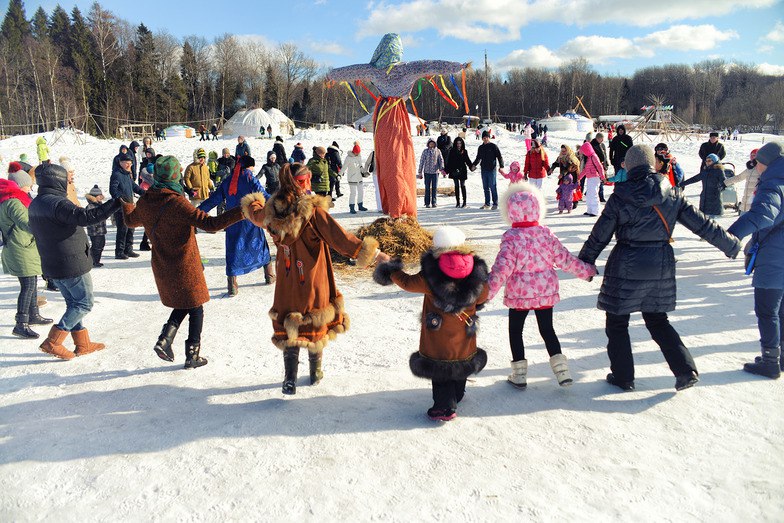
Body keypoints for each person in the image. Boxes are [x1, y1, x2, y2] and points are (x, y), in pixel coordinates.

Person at [578, 145, 741, 392]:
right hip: (660, 263)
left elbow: (600, 233)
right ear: (652, 164)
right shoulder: (672, 194)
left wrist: (585, 261)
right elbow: (702, 224)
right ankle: (686, 371)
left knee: (617, 321)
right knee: (657, 320)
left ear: (629, 166)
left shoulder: (621, 195)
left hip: (626, 263)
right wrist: (730, 244)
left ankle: (623, 376)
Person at [241, 162, 385, 394]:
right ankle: (315, 371)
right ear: (300, 182)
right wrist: (374, 254)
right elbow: (342, 239)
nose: (309, 183)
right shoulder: (313, 212)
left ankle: (290, 378)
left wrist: (252, 202)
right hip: (313, 277)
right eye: (305, 179)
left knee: (290, 318)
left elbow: (255, 213)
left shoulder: (272, 210)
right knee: (314, 318)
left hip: (287, 278)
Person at [122, 156, 244, 368]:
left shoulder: (146, 200)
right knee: (195, 306)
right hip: (184, 265)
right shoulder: (176, 202)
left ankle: (165, 339)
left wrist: (125, 203)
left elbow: (130, 221)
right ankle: (191, 354)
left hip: (162, 264)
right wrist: (243, 211)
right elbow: (211, 223)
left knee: (185, 303)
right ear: (174, 175)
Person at [488, 183, 596, 388]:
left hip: (519, 294)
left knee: (515, 331)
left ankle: (519, 375)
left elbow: (501, 269)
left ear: (510, 212)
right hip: (545, 291)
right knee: (547, 329)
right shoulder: (546, 234)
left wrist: (484, 294)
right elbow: (565, 259)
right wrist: (587, 272)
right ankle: (562, 372)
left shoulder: (511, 238)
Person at [373, 226, 487, 421]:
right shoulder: (476, 270)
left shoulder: (432, 272)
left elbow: (407, 283)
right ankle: (457, 394)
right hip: (464, 333)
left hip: (439, 335)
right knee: (461, 361)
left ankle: (445, 408)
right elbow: (484, 294)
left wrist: (390, 268)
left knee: (441, 368)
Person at [29, 163, 121, 360]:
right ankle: (53, 342)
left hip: (53, 262)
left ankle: (82, 343)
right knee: (84, 303)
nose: (69, 182)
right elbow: (87, 217)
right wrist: (115, 203)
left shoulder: (37, 202)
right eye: (66, 179)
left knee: (73, 303)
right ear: (57, 180)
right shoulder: (57, 204)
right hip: (70, 262)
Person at [727, 142, 784, 379]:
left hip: (775, 258)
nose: (755, 166)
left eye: (757, 162)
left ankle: (770, 360)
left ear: (766, 162)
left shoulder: (773, 185)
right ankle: (779, 358)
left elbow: (762, 214)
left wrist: (730, 235)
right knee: (780, 311)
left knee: (767, 310)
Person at [200, 155, 275, 294]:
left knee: (233, 251)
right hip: (251, 220)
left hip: (232, 221)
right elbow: (263, 195)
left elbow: (214, 200)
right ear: (248, 167)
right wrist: (280, 204)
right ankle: (269, 276)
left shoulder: (228, 180)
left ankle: (232, 286)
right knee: (261, 246)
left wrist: (196, 212)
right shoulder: (249, 178)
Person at [0, 171, 51, 339]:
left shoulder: (13, 199)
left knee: (32, 281)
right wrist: (46, 228)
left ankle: (33, 314)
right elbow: (26, 223)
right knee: (28, 285)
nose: (31, 186)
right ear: (21, 185)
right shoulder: (14, 202)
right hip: (20, 248)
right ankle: (21, 323)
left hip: (24, 247)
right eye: (29, 184)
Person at [109, 152, 144, 259]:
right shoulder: (116, 174)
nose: (129, 165)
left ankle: (128, 249)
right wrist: (120, 198)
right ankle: (119, 252)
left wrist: (145, 193)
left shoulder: (127, 174)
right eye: (126, 163)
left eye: (130, 163)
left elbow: (134, 186)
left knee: (131, 227)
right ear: (120, 163)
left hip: (130, 205)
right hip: (120, 207)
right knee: (122, 229)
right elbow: (113, 190)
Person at [680, 153, 728, 218]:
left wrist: (721, 187)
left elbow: (724, 182)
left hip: (714, 200)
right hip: (704, 198)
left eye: (709, 161)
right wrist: (681, 184)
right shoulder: (705, 171)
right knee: (703, 220)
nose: (707, 163)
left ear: (714, 161)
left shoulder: (719, 171)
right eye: (706, 161)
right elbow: (695, 179)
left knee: (712, 222)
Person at [472, 130, 504, 210]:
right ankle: (487, 203)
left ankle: (495, 203)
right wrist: (473, 165)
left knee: (492, 186)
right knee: (485, 187)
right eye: (484, 138)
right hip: (483, 169)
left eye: (486, 137)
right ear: (482, 138)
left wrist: (501, 166)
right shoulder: (481, 147)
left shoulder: (493, 146)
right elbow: (478, 158)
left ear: (489, 138)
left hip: (491, 169)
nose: (485, 139)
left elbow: (499, 156)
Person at [724, 149, 761, 214]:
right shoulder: (749, 169)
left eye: (754, 155)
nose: (752, 157)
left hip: (754, 201)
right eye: (751, 155)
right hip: (745, 202)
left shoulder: (761, 169)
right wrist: (725, 182)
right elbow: (739, 177)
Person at [578, 141, 605, 217]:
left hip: (595, 178)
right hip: (590, 178)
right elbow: (586, 170)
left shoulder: (594, 157)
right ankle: (590, 210)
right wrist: (579, 177)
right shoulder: (589, 158)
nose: (583, 153)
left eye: (584, 151)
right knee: (589, 195)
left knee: (593, 194)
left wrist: (602, 177)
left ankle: (595, 211)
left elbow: (599, 167)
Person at [84, 185, 108, 267]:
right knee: (96, 246)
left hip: (101, 230)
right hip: (95, 231)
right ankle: (92, 261)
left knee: (101, 245)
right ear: (94, 197)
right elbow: (90, 219)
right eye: (99, 196)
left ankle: (96, 260)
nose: (101, 197)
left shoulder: (100, 205)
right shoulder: (90, 206)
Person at [445, 136, 473, 208]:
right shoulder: (452, 151)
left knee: (463, 185)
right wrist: (446, 170)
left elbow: (467, 160)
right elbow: (449, 161)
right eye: (457, 143)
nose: (458, 145)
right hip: (454, 170)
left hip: (462, 170)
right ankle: (457, 202)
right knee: (456, 186)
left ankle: (464, 202)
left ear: (462, 144)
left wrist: (471, 166)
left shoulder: (464, 151)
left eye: (460, 143)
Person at [418, 138, 444, 208]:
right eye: (430, 143)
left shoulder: (438, 151)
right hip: (427, 172)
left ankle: (434, 202)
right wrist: (420, 171)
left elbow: (441, 160)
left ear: (435, 144)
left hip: (435, 172)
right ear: (428, 144)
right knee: (427, 187)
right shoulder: (425, 151)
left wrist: (442, 168)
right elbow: (422, 161)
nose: (431, 145)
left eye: (433, 143)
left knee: (434, 187)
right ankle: (427, 202)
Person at [343, 141, 367, 214]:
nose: (357, 154)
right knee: (353, 193)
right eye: (356, 153)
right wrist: (339, 174)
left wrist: (364, 172)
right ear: (353, 152)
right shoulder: (348, 158)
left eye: (358, 153)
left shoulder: (359, 156)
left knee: (361, 192)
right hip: (352, 178)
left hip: (359, 178)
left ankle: (360, 205)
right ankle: (352, 207)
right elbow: (344, 167)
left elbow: (360, 166)